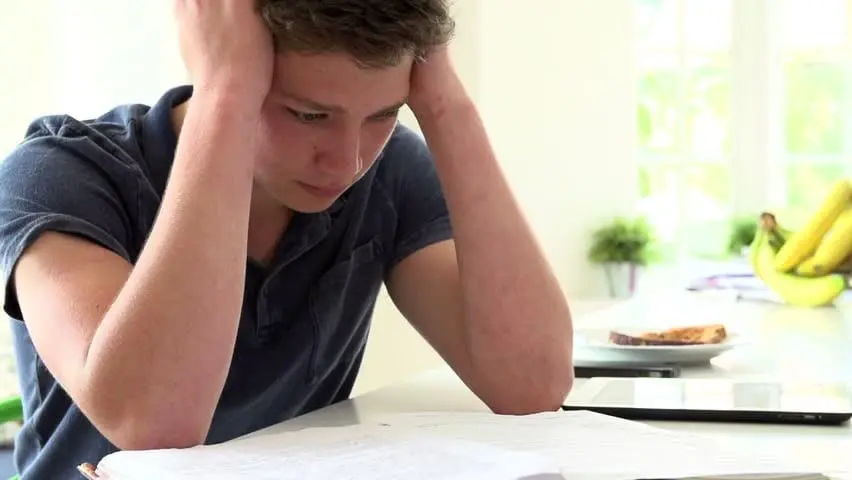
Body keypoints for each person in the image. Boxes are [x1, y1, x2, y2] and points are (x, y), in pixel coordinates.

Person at [0, 0, 574, 477]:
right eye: (308, 116)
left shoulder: (388, 170)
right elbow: (155, 425)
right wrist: (224, 93)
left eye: (383, 114)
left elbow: (531, 386)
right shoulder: (57, 174)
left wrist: (446, 105)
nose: (348, 161)